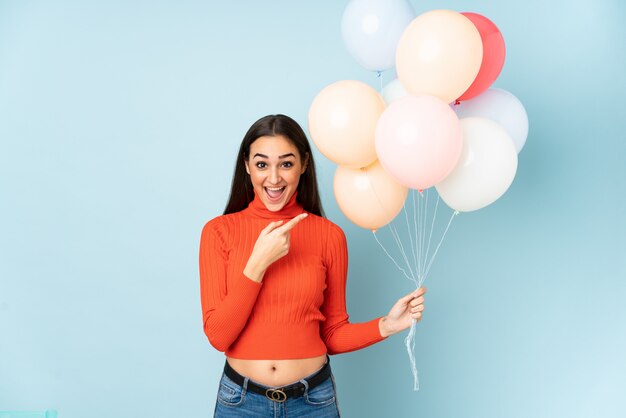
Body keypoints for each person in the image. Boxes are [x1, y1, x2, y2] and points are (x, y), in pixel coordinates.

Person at [199, 114, 426, 417]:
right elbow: (218, 336)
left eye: (287, 163)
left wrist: (386, 325)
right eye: (262, 164)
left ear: (304, 165)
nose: (274, 178)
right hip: (241, 403)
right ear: (247, 166)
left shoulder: (329, 236)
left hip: (312, 403)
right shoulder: (218, 232)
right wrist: (257, 265)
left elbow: (332, 334)